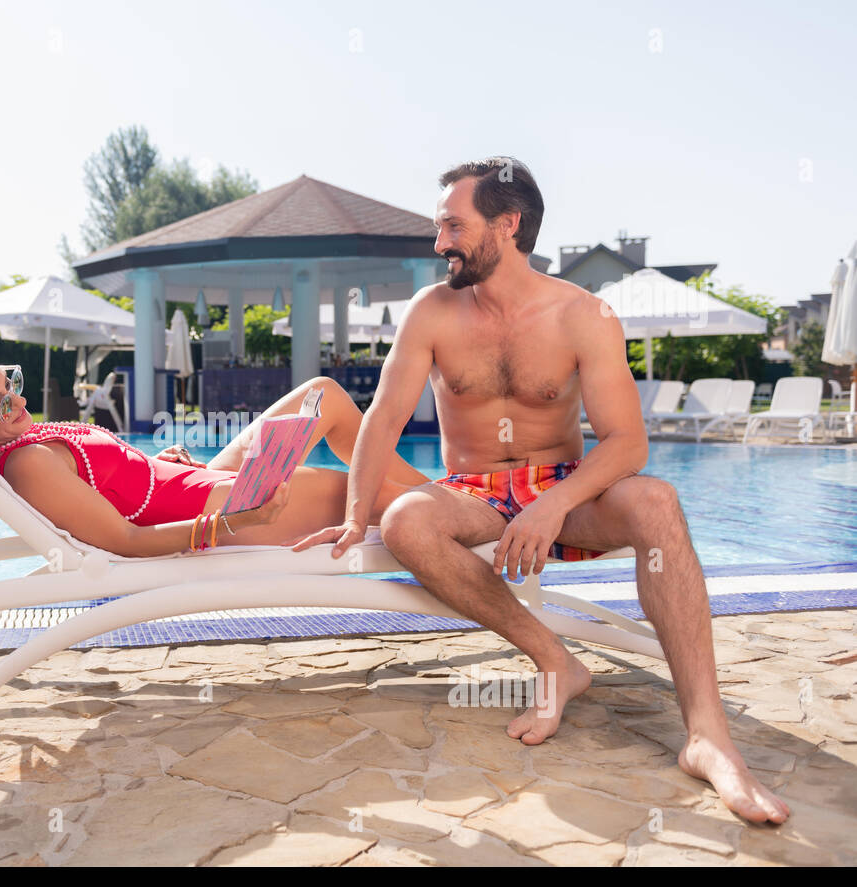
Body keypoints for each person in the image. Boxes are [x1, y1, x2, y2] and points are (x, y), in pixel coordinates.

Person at [295, 157, 789, 825]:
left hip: (562, 486)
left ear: (508, 224)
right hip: (473, 489)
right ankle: (556, 658)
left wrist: (552, 504)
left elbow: (627, 444)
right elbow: (382, 417)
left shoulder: (582, 314)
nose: (439, 241)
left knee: (657, 502)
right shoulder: (432, 311)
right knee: (410, 520)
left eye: (452, 225)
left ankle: (707, 736)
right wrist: (358, 517)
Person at [0, 341, 432, 556]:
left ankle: (446, 493)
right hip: (215, 512)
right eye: (0, 406)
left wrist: (149, 466)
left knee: (325, 395)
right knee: (364, 492)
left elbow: (110, 486)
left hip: (183, 486)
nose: (19, 406)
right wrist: (236, 521)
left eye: (12, 384)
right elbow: (125, 539)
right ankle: (463, 504)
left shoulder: (17, 437)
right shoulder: (27, 463)